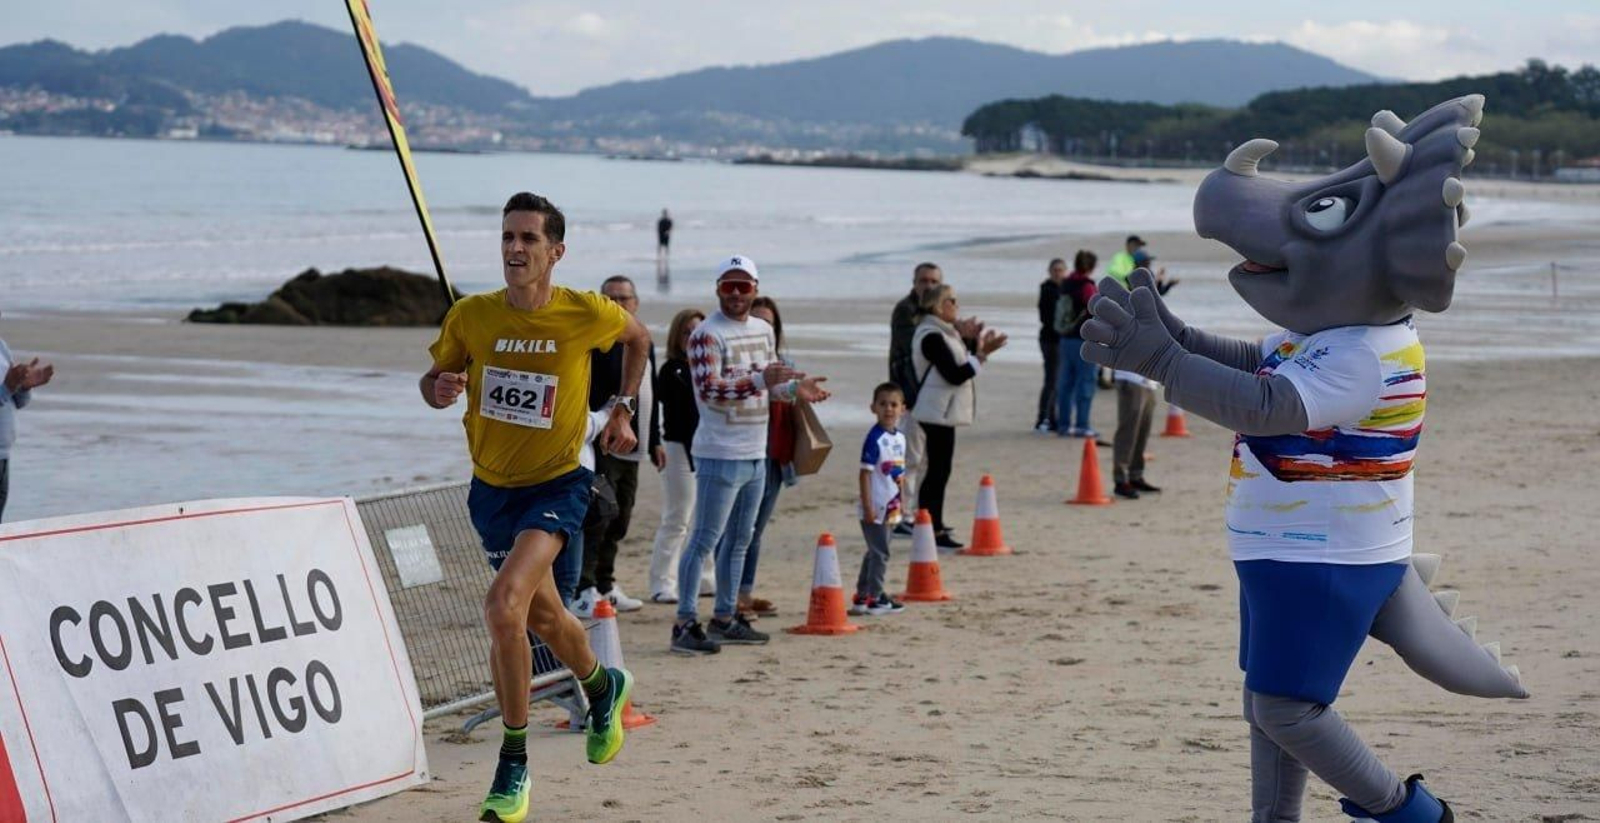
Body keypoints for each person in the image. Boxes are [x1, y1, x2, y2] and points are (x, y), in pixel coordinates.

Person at [422, 191, 650, 822]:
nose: (515, 249)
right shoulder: (472, 316)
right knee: (544, 616)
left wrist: (624, 407)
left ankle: (513, 761)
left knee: (503, 606)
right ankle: (604, 687)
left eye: (528, 239)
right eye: (506, 237)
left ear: (556, 251)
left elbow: (640, 339)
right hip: (491, 488)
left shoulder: (585, 311)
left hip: (559, 482)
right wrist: (439, 388)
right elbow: (434, 383)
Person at [671, 256, 830, 655]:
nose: (738, 294)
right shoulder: (706, 335)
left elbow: (770, 385)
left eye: (745, 286)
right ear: (718, 289)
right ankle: (685, 622)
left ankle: (725, 617)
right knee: (704, 539)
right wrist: (763, 379)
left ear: (756, 288)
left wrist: (796, 390)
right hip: (719, 452)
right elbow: (709, 390)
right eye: (730, 286)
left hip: (755, 450)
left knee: (741, 539)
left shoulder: (762, 329)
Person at [571, 275, 660, 617]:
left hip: (636, 447)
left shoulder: (642, 341)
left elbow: (652, 394)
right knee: (599, 516)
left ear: (635, 303)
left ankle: (606, 584)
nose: (619, 304)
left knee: (621, 517)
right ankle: (586, 587)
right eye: (611, 298)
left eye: (625, 299)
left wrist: (658, 441)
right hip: (603, 444)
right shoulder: (596, 342)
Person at [910, 283, 1007, 550]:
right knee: (937, 470)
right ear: (938, 306)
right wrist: (983, 355)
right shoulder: (931, 335)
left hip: (942, 409)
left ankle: (932, 523)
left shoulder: (943, 333)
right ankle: (932, 527)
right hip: (935, 410)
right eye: (952, 301)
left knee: (940, 469)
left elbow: (958, 360)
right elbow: (954, 373)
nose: (957, 305)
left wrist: (973, 343)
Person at [723, 295, 792, 619]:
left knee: (756, 528)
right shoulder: (740, 359)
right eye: (759, 321)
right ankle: (731, 595)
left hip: (776, 452)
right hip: (743, 450)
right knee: (737, 529)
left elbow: (790, 395)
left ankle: (745, 592)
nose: (764, 328)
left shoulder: (783, 359)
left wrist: (799, 390)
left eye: (770, 323)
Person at [647, 308, 715, 604]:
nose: (693, 337)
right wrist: (654, 443)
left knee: (706, 516)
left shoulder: (711, 368)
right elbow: (666, 411)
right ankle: (662, 581)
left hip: (708, 448)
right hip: (677, 448)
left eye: (698, 332)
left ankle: (705, 577)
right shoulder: (671, 369)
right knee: (678, 517)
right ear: (678, 335)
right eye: (688, 332)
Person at [888, 262, 944, 537]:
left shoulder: (937, 314)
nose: (928, 286)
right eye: (924, 281)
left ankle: (915, 512)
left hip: (928, 397)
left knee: (921, 460)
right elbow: (912, 353)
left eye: (934, 281)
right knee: (908, 459)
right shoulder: (906, 311)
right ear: (914, 282)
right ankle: (901, 516)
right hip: (909, 396)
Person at [850, 382, 908, 616]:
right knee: (880, 552)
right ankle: (876, 596)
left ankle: (862, 595)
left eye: (893, 404)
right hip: (875, 505)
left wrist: (902, 503)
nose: (888, 409)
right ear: (873, 407)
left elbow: (899, 474)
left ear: (902, 408)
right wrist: (868, 506)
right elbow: (864, 474)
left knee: (875, 550)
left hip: (892, 504)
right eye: (883, 404)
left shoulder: (900, 438)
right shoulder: (874, 439)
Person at [0, 332, 53, 521]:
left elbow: (15, 402)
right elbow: (5, 391)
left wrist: (24, 387)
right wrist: (6, 388)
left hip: (3, 456)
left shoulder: (1, 347)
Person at [1055, 250, 1100, 437]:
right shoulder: (1087, 286)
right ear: (1091, 267)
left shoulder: (1066, 283)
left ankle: (1064, 424)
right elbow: (1096, 309)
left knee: (1066, 383)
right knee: (1086, 382)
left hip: (1065, 337)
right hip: (1083, 339)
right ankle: (1082, 425)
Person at [1110, 369, 1160, 499]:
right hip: (1131, 378)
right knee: (1128, 431)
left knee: (1143, 431)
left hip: (1148, 381)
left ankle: (1135, 475)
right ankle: (1121, 479)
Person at [1035, 258, 1067, 433]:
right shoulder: (1047, 289)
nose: (1058, 273)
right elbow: (1046, 317)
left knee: (1058, 380)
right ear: (1050, 271)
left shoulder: (1064, 289)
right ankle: (1043, 418)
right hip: (1050, 340)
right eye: (1055, 270)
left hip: (1061, 340)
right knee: (1052, 380)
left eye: (1061, 270)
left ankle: (1052, 418)